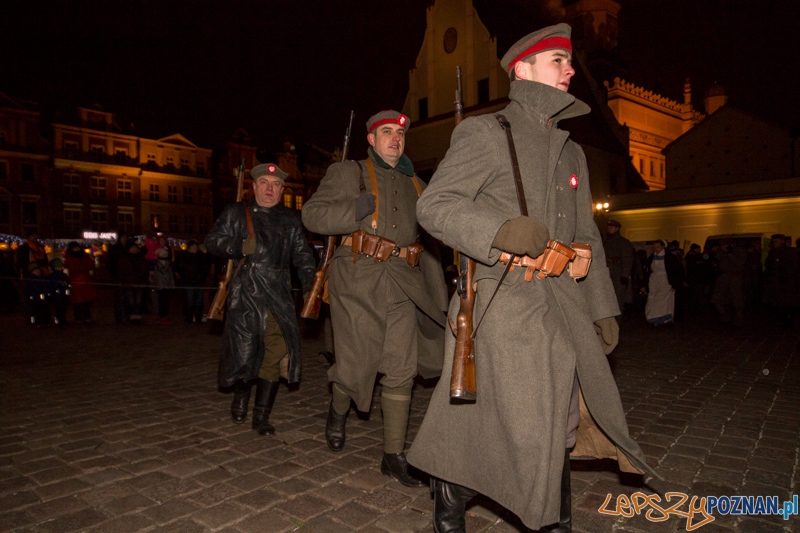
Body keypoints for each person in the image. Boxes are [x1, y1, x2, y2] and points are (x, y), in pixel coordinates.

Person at [405, 24, 659, 532]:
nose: (569, 71)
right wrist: (500, 230)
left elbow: (586, 233)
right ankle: (459, 494)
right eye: (557, 61)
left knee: (556, 422)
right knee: (522, 424)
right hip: (504, 305)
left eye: (569, 62)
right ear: (522, 69)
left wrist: (602, 307)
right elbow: (435, 206)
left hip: (563, 302)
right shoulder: (485, 132)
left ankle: (538, 515)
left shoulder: (572, 152)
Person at [302, 110, 447, 487]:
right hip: (358, 279)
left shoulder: (416, 182)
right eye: (387, 132)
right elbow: (312, 215)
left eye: (400, 133)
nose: (395, 139)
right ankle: (337, 408)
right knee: (356, 364)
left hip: (403, 281)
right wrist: (353, 211)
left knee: (402, 367)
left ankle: (393, 454)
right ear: (371, 139)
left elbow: (435, 230)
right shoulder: (349, 173)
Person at [205, 162, 316, 436]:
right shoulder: (236, 212)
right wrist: (237, 246)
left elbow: (303, 258)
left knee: (275, 355)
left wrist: (310, 288)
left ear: (281, 189)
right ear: (253, 186)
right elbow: (212, 241)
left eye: (275, 184)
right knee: (244, 355)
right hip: (245, 295)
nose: (270, 189)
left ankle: (262, 415)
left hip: (278, 296)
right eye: (264, 183)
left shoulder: (291, 219)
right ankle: (241, 396)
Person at [643, 239, 684, 326]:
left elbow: (677, 271)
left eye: (658, 247)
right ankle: (653, 317)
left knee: (664, 300)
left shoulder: (670, 258)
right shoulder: (652, 257)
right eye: (654, 247)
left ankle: (663, 318)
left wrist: (675, 284)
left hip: (665, 281)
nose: (656, 249)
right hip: (654, 281)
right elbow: (648, 270)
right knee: (652, 299)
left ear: (663, 247)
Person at [763, 233, 798, 329]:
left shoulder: (790, 252)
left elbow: (793, 267)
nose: (775, 243)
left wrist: (786, 276)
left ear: (782, 241)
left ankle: (788, 322)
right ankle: (780, 321)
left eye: (777, 241)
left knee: (787, 303)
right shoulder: (772, 252)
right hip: (775, 282)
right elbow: (768, 265)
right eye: (774, 241)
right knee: (777, 303)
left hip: (786, 282)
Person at [603, 220, 633, 322]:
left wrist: (625, 274)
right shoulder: (605, 242)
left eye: (612, 227)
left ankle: (617, 322)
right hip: (607, 272)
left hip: (618, 273)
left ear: (617, 229)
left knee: (618, 299)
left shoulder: (623, 242)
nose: (609, 229)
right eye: (609, 227)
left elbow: (627, 258)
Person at [175, 240, 210, 323]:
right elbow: (180, 267)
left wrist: (206, 254)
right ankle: (189, 317)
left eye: (195, 246)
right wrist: (185, 276)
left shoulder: (200, 256)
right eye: (193, 246)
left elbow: (207, 264)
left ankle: (198, 317)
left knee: (198, 300)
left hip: (199, 281)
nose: (195, 248)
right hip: (188, 282)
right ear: (189, 248)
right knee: (189, 300)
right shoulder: (183, 256)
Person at [63, 241, 98, 323]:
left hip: (86, 281)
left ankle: (86, 316)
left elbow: (90, 264)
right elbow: (72, 267)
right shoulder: (69, 257)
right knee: (78, 301)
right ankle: (78, 317)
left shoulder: (85, 255)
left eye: (77, 247)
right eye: (74, 248)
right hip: (76, 282)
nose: (76, 249)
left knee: (87, 301)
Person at [118, 241, 150, 324]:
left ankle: (138, 316)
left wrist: (144, 281)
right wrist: (124, 281)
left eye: (135, 248)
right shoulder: (125, 259)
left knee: (138, 301)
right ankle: (132, 316)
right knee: (131, 300)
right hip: (129, 282)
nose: (134, 249)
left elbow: (145, 271)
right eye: (133, 248)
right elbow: (122, 271)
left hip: (139, 282)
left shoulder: (141, 258)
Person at [151, 247, 175, 324]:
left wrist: (172, 284)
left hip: (167, 285)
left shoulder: (168, 264)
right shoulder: (156, 264)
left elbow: (171, 275)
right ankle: (162, 316)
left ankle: (165, 316)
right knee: (161, 301)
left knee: (166, 301)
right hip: (160, 285)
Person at [25, 262, 50, 326]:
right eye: (35, 270)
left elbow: (46, 286)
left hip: (43, 297)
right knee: (36, 311)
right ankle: (36, 322)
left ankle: (46, 321)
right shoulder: (31, 280)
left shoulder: (43, 278)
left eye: (38, 269)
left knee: (45, 310)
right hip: (35, 298)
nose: (38, 271)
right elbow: (29, 290)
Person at [48, 257, 71, 326]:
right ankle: (58, 320)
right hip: (56, 295)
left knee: (63, 308)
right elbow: (52, 285)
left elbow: (67, 283)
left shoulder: (64, 275)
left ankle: (63, 319)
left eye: (60, 266)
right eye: (57, 267)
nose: (59, 268)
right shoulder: (52, 276)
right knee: (57, 308)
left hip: (63, 294)